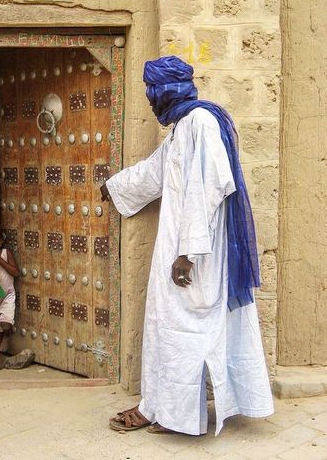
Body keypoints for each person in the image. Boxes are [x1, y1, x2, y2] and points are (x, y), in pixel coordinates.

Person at [102, 56, 273, 436]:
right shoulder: (182, 128)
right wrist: (114, 188)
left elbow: (209, 188)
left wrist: (189, 252)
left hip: (199, 255)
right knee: (170, 328)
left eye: (152, 92)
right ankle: (160, 407)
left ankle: (171, 414)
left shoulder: (203, 123)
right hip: (182, 249)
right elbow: (155, 171)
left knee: (185, 331)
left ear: (168, 89)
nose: (149, 101)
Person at [0, 226, 33, 372]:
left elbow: (15, 273)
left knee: (5, 324)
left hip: (7, 295)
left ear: (0, 242)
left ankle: (7, 335)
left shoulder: (5, 254)